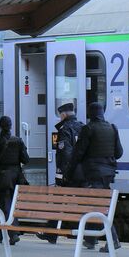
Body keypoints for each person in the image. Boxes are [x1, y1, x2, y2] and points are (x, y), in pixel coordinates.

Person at [73, 102, 124, 251]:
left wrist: (69, 173)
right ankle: (90, 239)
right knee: (93, 204)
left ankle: (113, 240)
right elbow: (119, 153)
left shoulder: (88, 129)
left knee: (99, 207)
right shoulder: (112, 128)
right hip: (108, 173)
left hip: (94, 173)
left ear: (90, 114)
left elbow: (78, 154)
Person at [38, 103, 84, 244]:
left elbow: (65, 156)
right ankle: (87, 237)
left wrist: (61, 177)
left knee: (58, 202)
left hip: (69, 174)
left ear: (63, 115)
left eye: (60, 116)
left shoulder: (65, 130)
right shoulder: (82, 127)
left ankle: (51, 234)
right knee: (81, 204)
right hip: (82, 173)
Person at [0, 116, 29, 245]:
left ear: (0, 126)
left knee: (4, 204)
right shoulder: (18, 141)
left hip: (1, 177)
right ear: (11, 125)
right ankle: (0, 233)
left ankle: (12, 233)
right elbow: (26, 159)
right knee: (8, 204)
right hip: (15, 177)